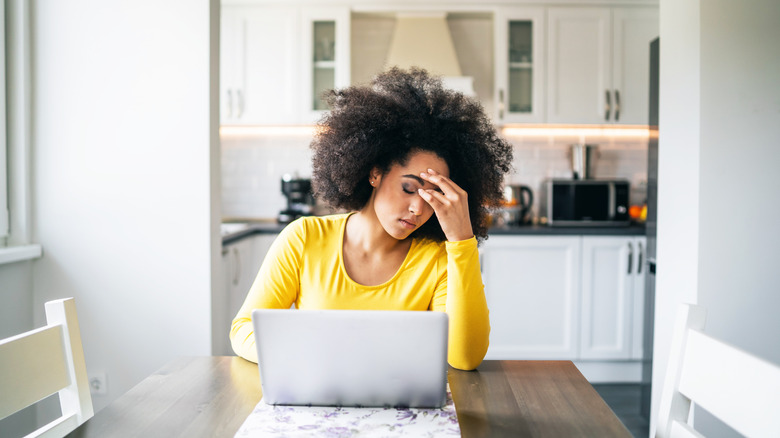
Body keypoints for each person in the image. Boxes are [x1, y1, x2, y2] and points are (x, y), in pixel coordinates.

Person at [230, 67, 513, 371]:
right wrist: (309, 356)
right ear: (375, 173)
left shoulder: (438, 258)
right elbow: (243, 330)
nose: (419, 208)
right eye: (409, 188)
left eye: (433, 195)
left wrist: (462, 242)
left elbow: (465, 358)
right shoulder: (304, 238)